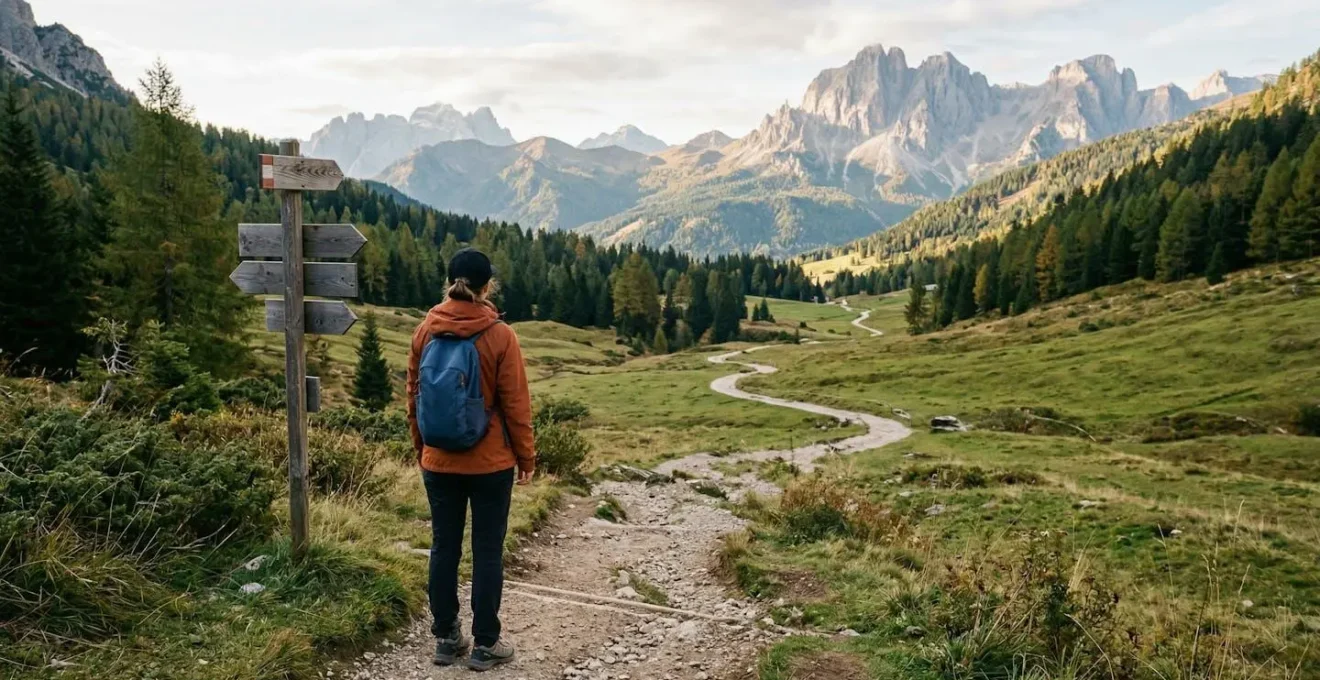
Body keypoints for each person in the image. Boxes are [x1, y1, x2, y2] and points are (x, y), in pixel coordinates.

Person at [407, 248, 536, 671]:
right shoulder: (500, 335)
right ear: (487, 287)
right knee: (486, 549)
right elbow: (516, 405)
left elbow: (414, 397)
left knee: (443, 546)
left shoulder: (425, 330)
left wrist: (421, 447)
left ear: (450, 282)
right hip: (490, 465)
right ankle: (486, 644)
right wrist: (526, 457)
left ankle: (446, 638)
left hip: (438, 459)